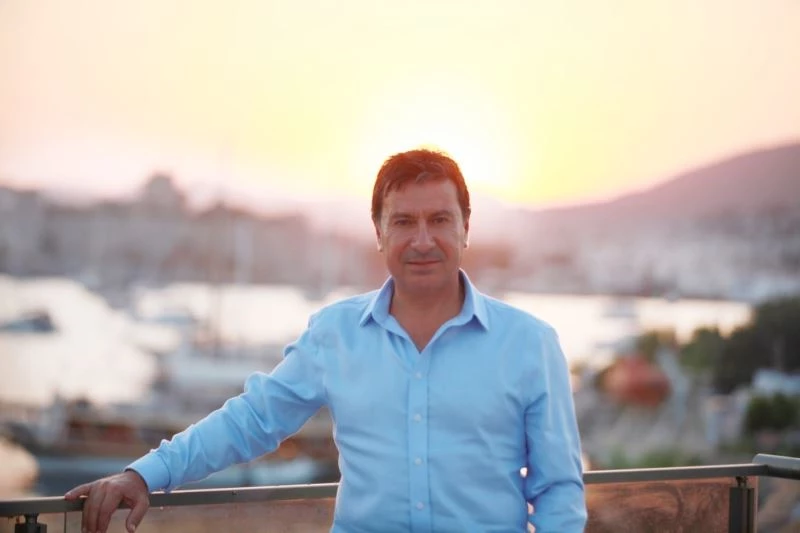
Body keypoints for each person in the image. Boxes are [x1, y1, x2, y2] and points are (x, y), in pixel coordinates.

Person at [66, 149, 587, 532]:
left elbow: (558, 488)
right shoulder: (335, 334)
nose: (422, 240)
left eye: (439, 220)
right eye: (404, 222)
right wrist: (145, 475)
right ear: (379, 232)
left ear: (466, 228)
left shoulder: (530, 344)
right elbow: (252, 420)